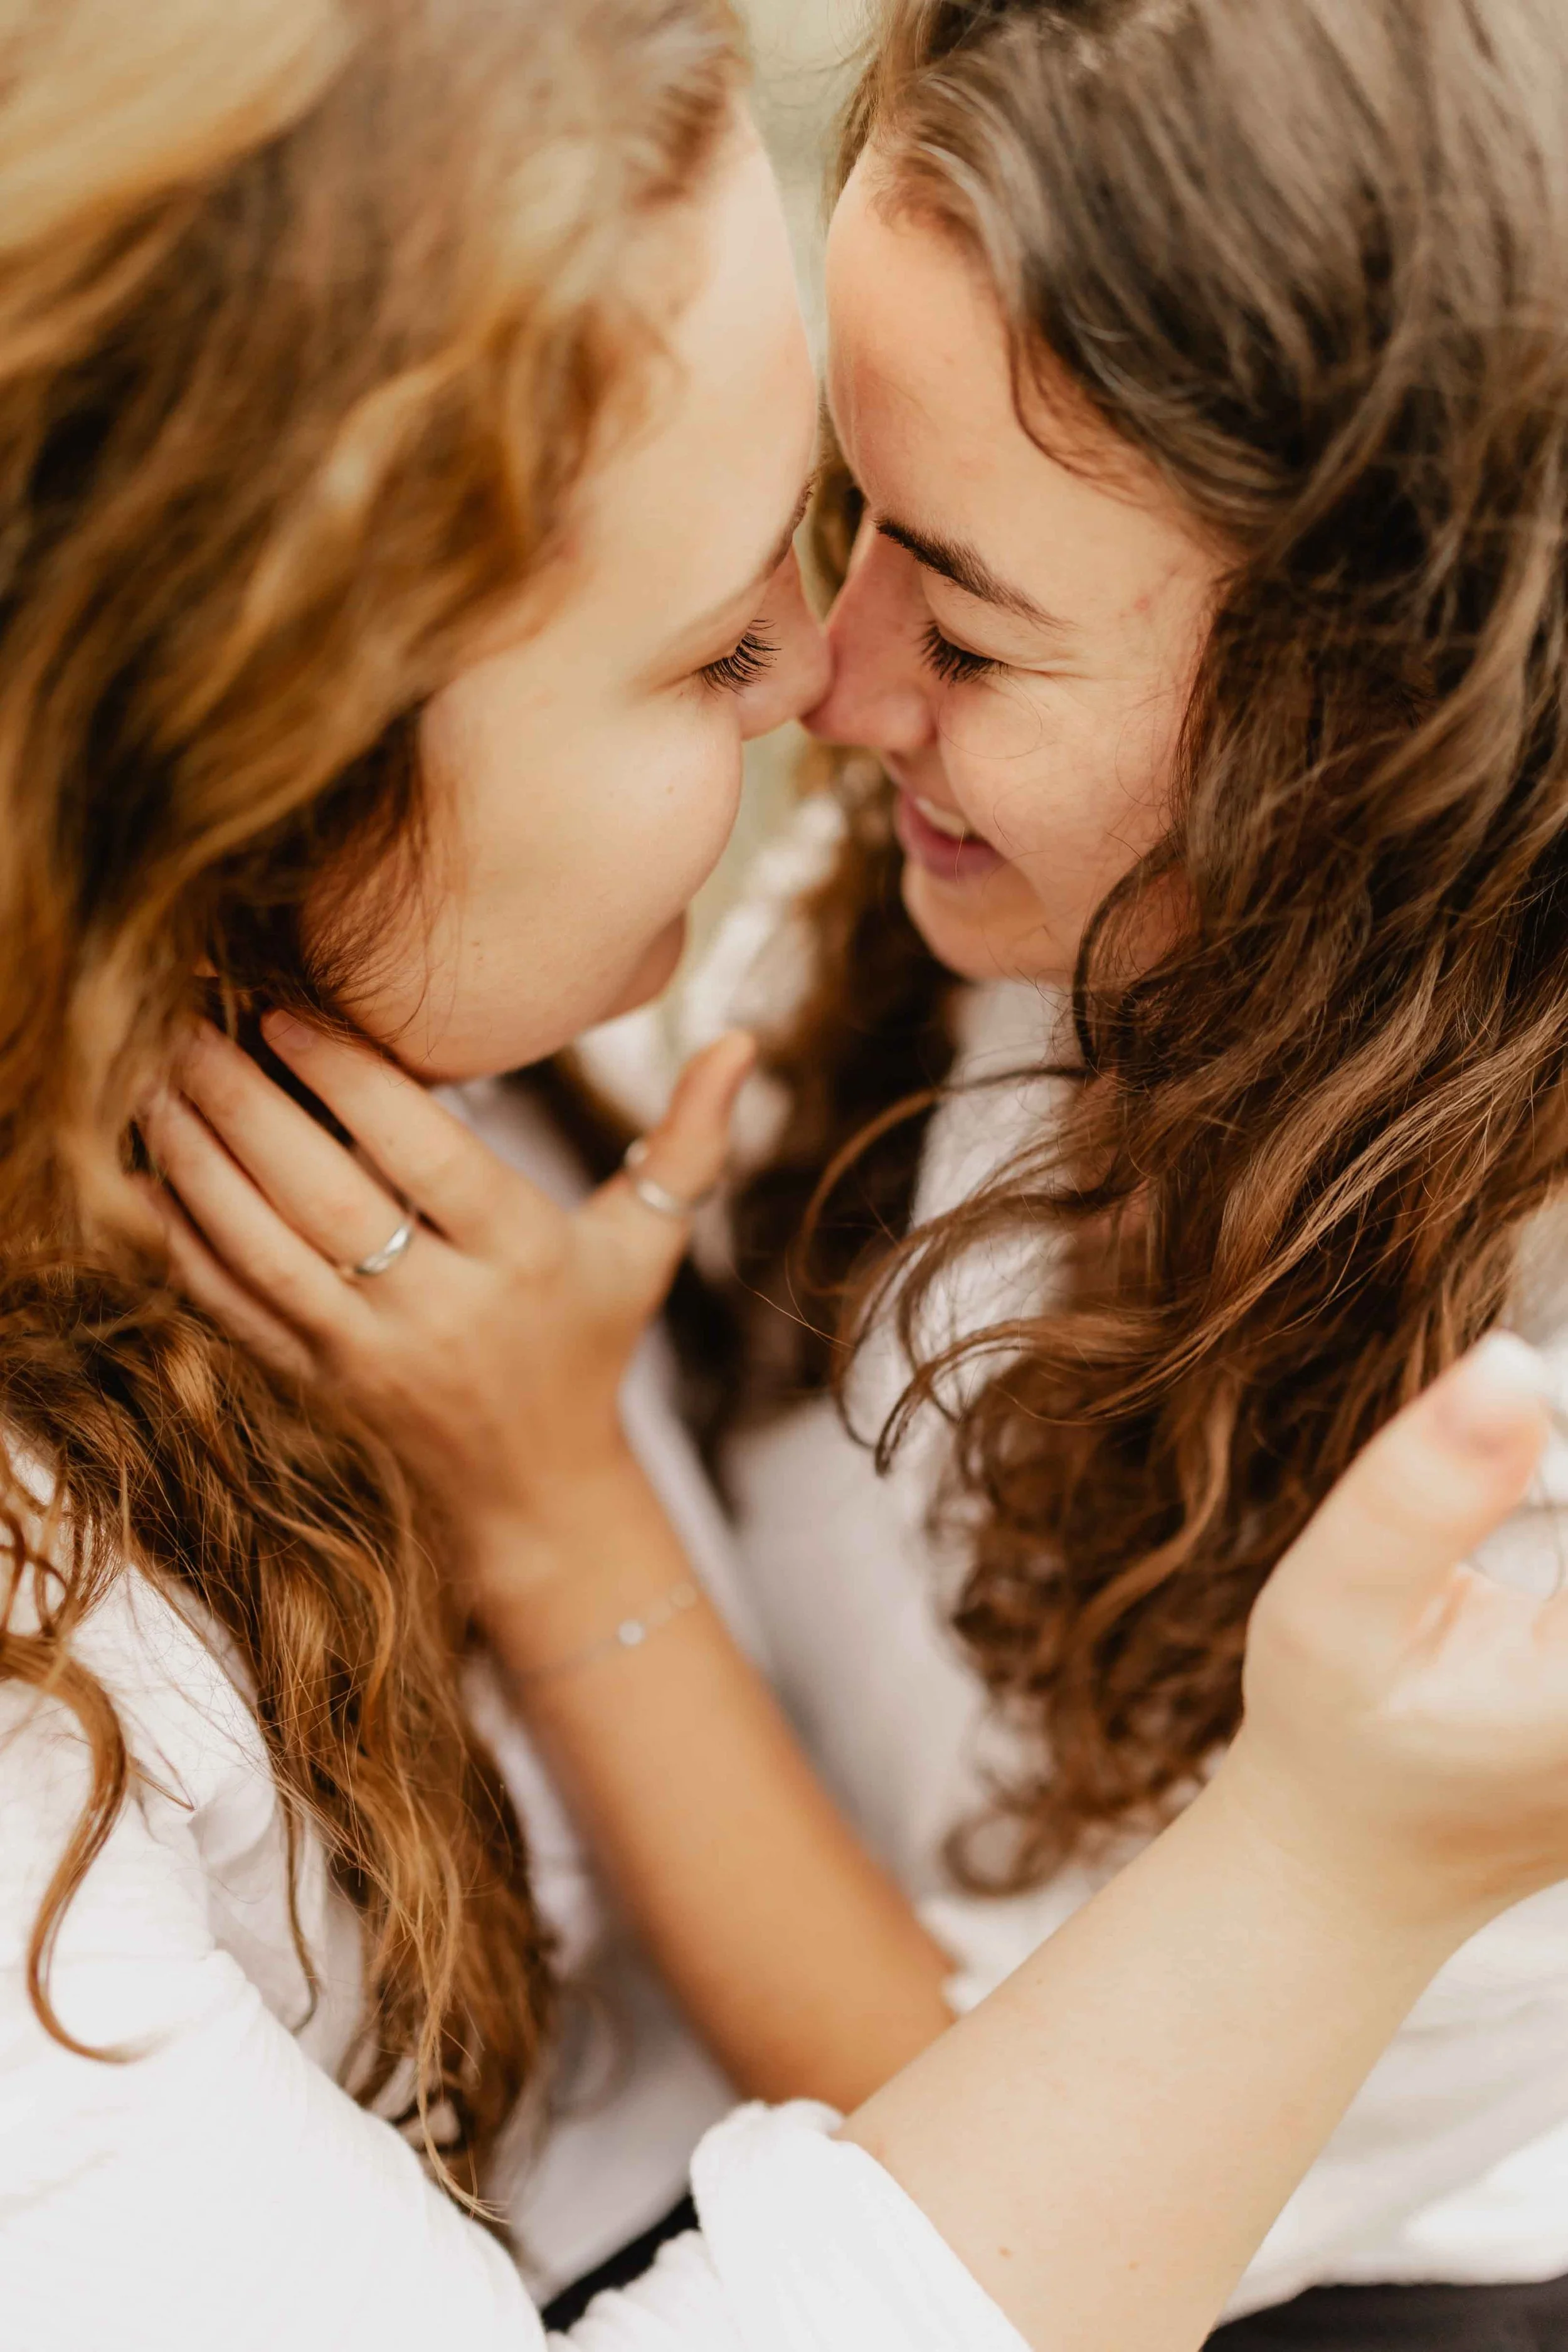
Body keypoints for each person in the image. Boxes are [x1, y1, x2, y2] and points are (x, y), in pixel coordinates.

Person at [162, 1, 1568, 2344]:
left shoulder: (1489, 1444)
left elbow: (978, 2119)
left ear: (1365, 720)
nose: (825, 668)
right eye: (847, 509)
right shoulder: (1018, 859)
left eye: (974, 623)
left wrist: (545, 1499)